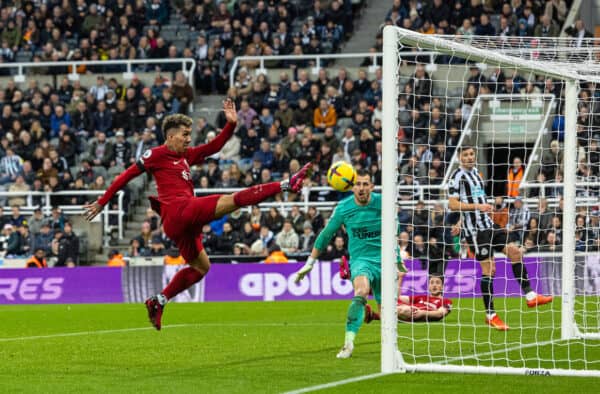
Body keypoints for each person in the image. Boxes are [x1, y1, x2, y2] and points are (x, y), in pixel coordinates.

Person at [84, 100, 312, 330]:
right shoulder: (155, 154)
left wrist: (231, 125)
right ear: (171, 136)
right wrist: (103, 202)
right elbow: (125, 176)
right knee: (232, 200)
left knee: (202, 267)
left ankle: (158, 301)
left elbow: (213, 147)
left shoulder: (186, 156)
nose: (188, 138)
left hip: (183, 223)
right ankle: (286, 184)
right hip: (178, 212)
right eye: (184, 134)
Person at [294, 169, 405, 358]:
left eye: (365, 184)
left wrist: (397, 258)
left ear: (372, 186)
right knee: (361, 291)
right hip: (361, 261)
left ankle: (391, 349)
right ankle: (348, 343)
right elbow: (325, 235)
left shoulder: (383, 203)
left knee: (388, 311)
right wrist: (310, 262)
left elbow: (395, 230)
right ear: (352, 187)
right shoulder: (344, 208)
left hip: (385, 261)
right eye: (358, 184)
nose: (361, 188)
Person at [447, 146, 552, 331]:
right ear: (460, 158)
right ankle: (491, 315)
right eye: (466, 155)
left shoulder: (477, 175)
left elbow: (473, 202)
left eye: (471, 154)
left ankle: (530, 296)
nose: (470, 157)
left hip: (489, 225)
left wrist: (464, 219)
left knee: (515, 251)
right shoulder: (457, 177)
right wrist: (475, 210)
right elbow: (453, 204)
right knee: (489, 270)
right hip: (476, 232)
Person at [364, 274, 451, 323]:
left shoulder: (446, 301)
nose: (434, 285)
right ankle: (375, 315)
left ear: (442, 287)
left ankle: (375, 315)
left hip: (415, 314)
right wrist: (400, 278)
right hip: (408, 310)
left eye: (437, 283)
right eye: (431, 283)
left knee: (404, 310)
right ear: (428, 286)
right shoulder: (421, 297)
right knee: (390, 298)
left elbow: (440, 314)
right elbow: (397, 297)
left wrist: (423, 313)